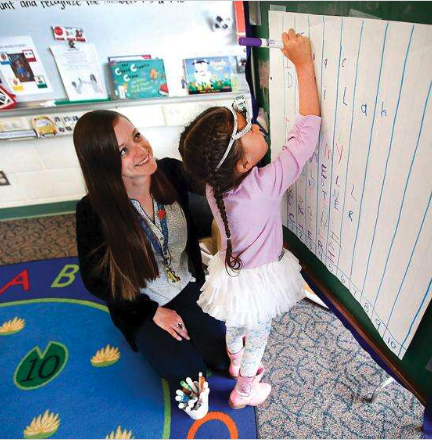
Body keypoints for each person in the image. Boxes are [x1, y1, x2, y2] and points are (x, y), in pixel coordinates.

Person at [178, 29, 320, 409]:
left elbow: (261, 145)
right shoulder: (265, 184)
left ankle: (235, 359)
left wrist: (250, 135)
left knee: (234, 323)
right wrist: (304, 65)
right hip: (259, 281)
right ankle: (244, 390)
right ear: (242, 163)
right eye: (249, 127)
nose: (258, 125)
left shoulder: (214, 184)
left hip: (231, 273)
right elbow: (305, 136)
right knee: (259, 333)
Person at [73, 109, 229, 403]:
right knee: (190, 377)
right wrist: (151, 312)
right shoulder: (92, 212)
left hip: (186, 282)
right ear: (103, 164)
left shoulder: (169, 172)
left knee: (222, 357)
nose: (140, 150)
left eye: (136, 136)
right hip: (140, 301)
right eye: (123, 151)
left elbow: (216, 181)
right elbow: (96, 280)